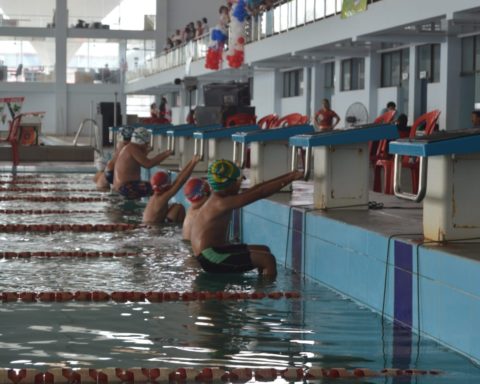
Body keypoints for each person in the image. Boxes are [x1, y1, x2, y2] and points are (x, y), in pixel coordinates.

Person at [190, 159, 303, 277]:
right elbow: (260, 192)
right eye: (238, 181)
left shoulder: (217, 197)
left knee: (265, 250)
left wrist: (290, 176)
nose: (240, 183)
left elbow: (257, 188)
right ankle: (266, 294)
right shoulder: (221, 203)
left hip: (214, 251)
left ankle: (261, 286)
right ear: (228, 184)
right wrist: (290, 178)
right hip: (211, 257)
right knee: (267, 260)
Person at [113, 127, 172, 200]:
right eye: (146, 144)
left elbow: (140, 160)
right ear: (141, 142)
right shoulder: (132, 148)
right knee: (159, 187)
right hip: (126, 188)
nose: (147, 146)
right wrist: (166, 154)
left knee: (150, 186)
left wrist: (147, 152)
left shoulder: (129, 147)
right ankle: (156, 209)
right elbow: (148, 164)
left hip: (122, 187)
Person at [143, 155, 201, 224]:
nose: (171, 183)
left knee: (176, 206)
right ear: (165, 185)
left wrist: (191, 161)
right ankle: (179, 228)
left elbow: (178, 179)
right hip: (155, 229)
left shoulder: (157, 193)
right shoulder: (162, 198)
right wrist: (193, 163)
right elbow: (180, 181)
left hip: (151, 225)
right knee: (179, 208)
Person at [94, 125, 134, 190]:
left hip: (109, 169)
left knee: (102, 189)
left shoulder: (120, 144)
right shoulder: (130, 147)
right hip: (117, 172)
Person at [182, 177, 211, 241]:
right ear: (205, 194)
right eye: (209, 193)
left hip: (186, 245)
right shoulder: (203, 210)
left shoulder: (191, 209)